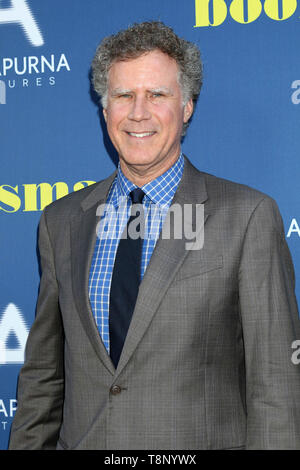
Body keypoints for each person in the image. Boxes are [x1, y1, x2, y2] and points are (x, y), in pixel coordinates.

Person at [9, 21, 300, 450]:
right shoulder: (62, 221)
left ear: (187, 107)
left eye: (157, 95)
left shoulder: (247, 216)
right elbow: (43, 381)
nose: (138, 113)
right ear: (105, 109)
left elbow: (275, 385)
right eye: (124, 95)